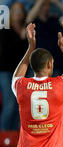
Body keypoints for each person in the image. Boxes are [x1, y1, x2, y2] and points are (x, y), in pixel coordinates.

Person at [0, 2, 28, 130]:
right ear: (11, 14)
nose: (18, 14)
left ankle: (13, 139)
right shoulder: (5, 30)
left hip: (20, 73)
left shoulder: (26, 31)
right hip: (6, 71)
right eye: (15, 11)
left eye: (20, 11)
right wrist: (21, 38)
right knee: (9, 105)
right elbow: (7, 51)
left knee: (19, 106)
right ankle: (3, 136)